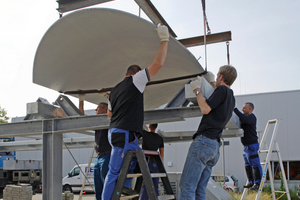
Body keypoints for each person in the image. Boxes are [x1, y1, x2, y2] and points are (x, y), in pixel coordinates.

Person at [101, 23, 169, 200]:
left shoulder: (114, 91)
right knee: (113, 173)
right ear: (134, 74)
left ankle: (124, 191)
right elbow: (158, 64)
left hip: (120, 133)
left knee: (130, 163)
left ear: (124, 74)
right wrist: (164, 40)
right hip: (122, 134)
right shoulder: (136, 80)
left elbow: (109, 114)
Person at [178, 65, 237, 200]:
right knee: (200, 188)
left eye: (217, 76)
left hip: (204, 143)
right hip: (214, 148)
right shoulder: (231, 97)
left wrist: (197, 90)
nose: (216, 78)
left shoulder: (221, 90)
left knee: (187, 186)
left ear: (221, 77)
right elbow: (217, 99)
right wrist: (211, 83)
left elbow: (205, 109)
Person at [78, 94, 111, 200]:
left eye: (98, 108)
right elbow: (82, 118)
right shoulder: (97, 123)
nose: (95, 110)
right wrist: (81, 101)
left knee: (105, 183)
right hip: (98, 157)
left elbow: (114, 111)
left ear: (105, 109)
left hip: (107, 155)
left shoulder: (109, 120)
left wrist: (110, 98)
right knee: (98, 185)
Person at [234, 102, 263, 190]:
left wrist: (234, 109)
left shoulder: (251, 118)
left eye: (244, 108)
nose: (242, 110)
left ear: (250, 109)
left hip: (252, 145)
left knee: (255, 164)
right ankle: (251, 181)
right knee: (247, 165)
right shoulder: (244, 119)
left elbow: (242, 117)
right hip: (246, 146)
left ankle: (257, 183)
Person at [140, 123, 164, 200]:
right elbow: (162, 154)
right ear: (156, 127)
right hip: (155, 162)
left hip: (145, 161)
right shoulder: (160, 138)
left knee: (145, 183)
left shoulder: (145, 134)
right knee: (155, 184)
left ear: (149, 126)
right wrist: (160, 164)